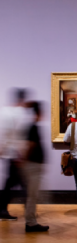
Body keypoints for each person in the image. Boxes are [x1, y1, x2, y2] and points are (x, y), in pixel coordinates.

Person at [0, 89, 30, 221]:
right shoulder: (21, 113)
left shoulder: (5, 111)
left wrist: (3, 149)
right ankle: (30, 214)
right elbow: (21, 136)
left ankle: (3, 210)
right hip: (16, 155)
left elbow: (4, 133)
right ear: (22, 99)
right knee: (23, 184)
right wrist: (21, 154)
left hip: (10, 154)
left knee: (11, 183)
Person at [24, 101, 49, 232]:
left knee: (32, 195)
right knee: (32, 195)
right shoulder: (32, 127)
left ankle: (31, 220)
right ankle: (31, 223)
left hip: (33, 165)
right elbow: (30, 145)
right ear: (37, 113)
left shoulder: (32, 126)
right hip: (33, 165)